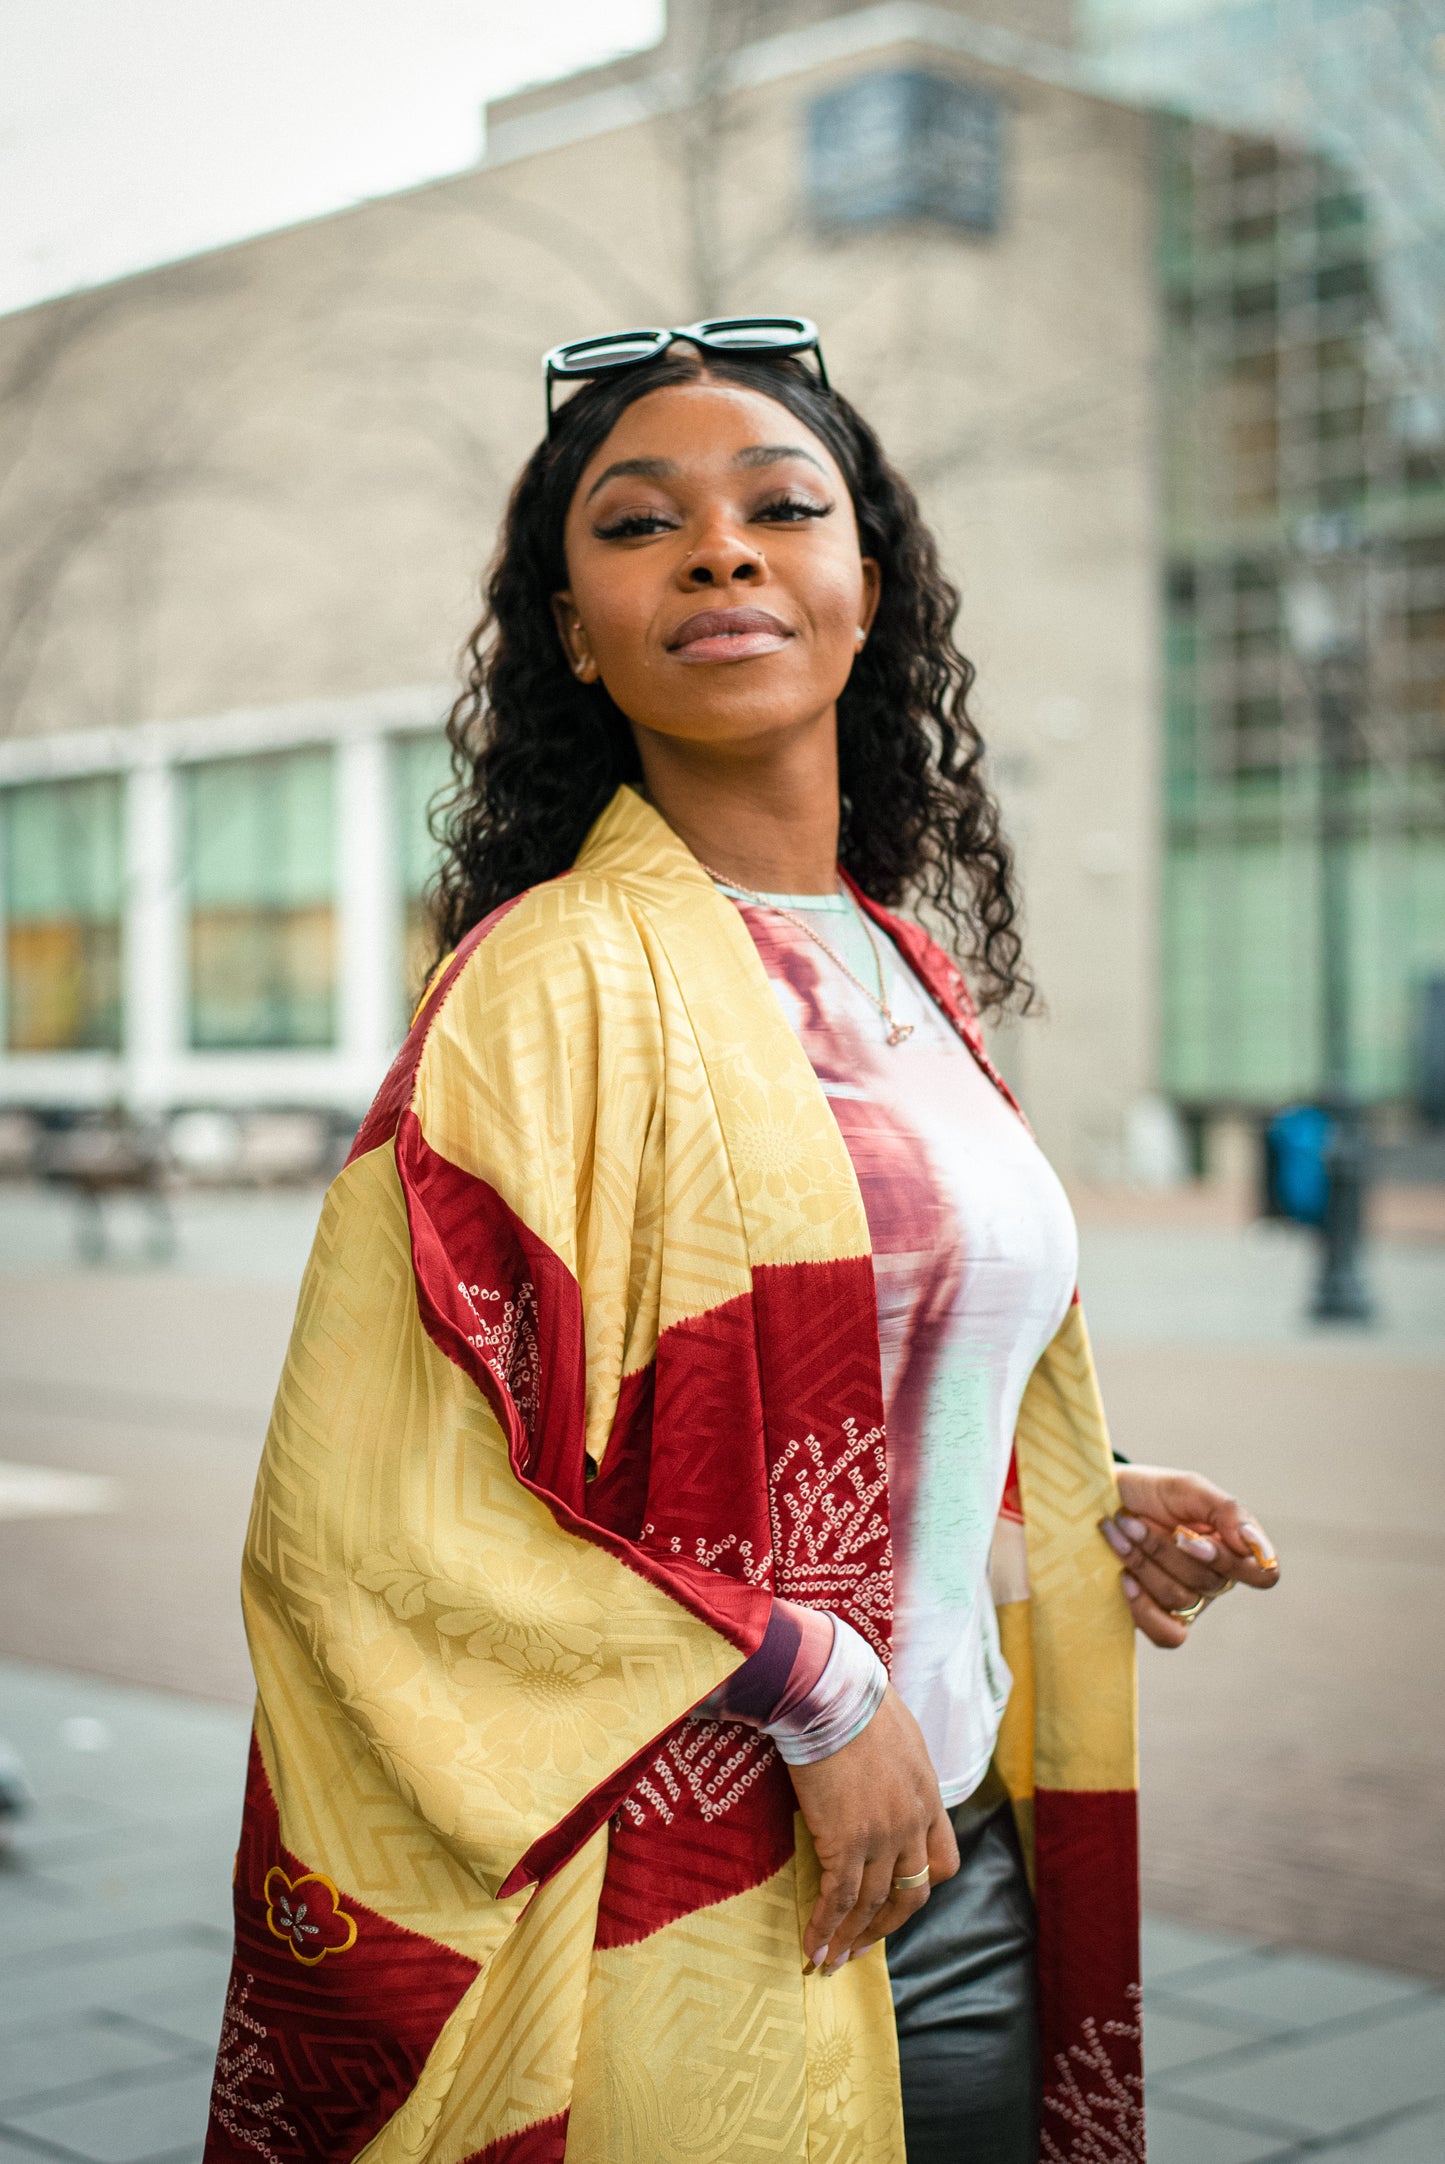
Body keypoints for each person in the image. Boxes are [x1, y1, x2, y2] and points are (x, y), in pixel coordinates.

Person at [204, 320, 1280, 2164]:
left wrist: (1070, 1492)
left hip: (959, 1849)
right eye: (638, 526)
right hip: (699, 1886)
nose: (719, 550)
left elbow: (864, 1376)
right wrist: (813, 1680)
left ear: (868, 586)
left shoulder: (907, 970)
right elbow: (365, 1520)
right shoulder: (543, 986)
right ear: (568, 627)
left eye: (783, 506)